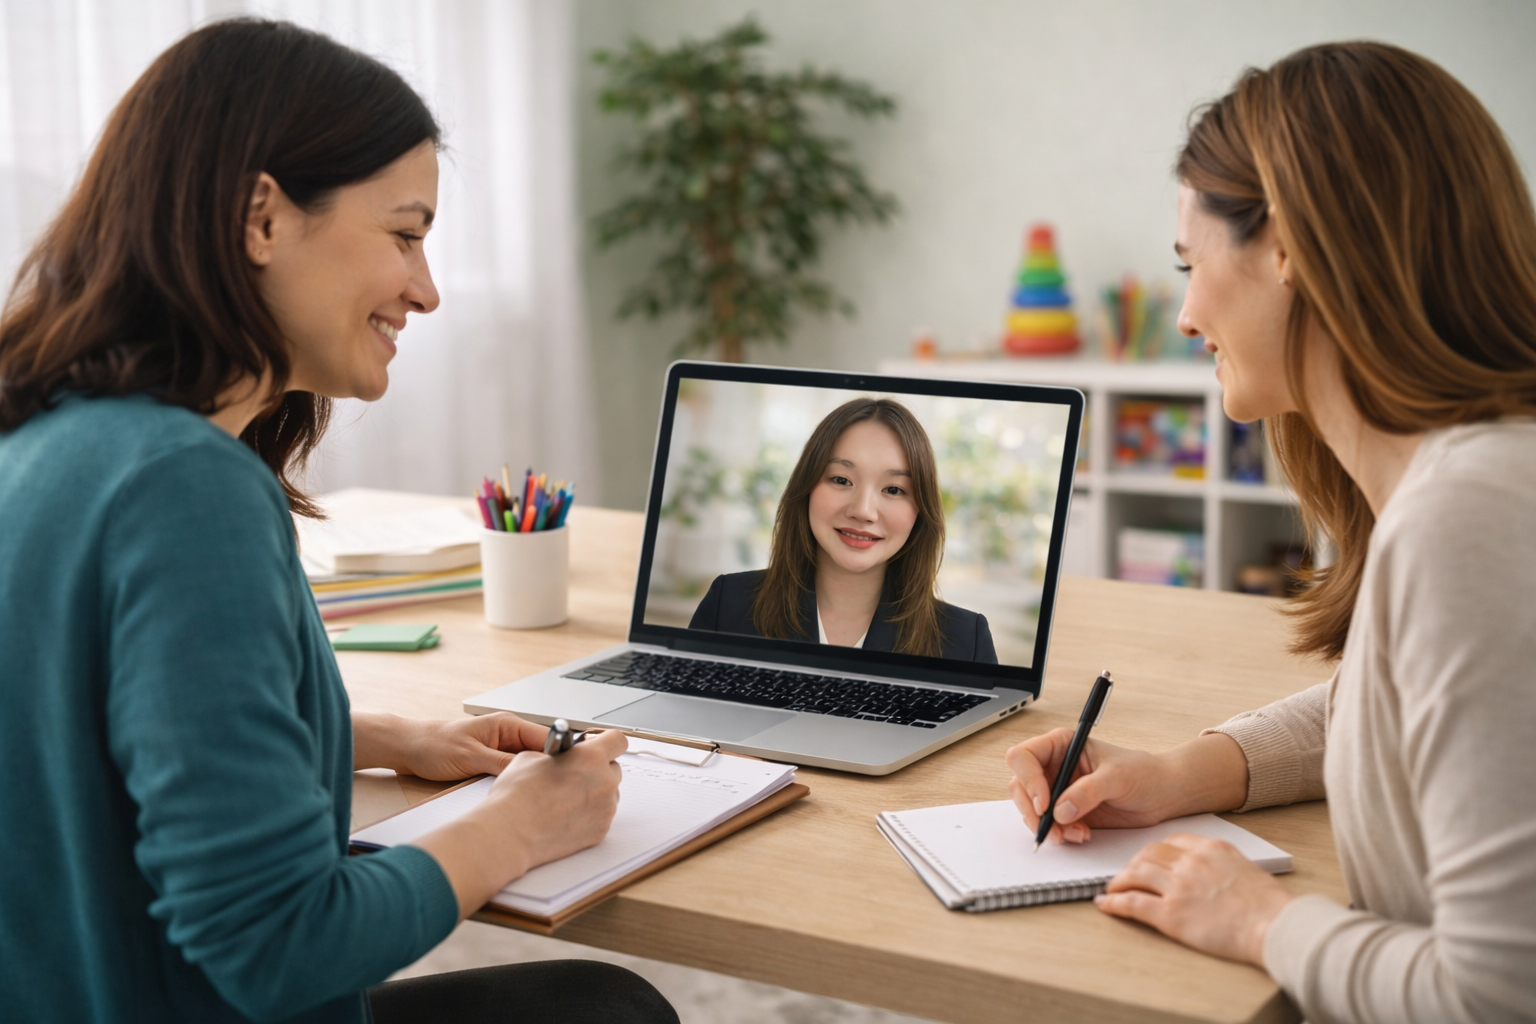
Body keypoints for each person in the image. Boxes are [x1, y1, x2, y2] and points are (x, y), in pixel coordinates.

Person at [0, 20, 677, 1024]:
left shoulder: (45, 440)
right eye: (405, 234)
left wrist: (369, 735)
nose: (428, 289)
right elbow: (278, 944)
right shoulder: (185, 488)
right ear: (259, 217)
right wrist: (518, 825)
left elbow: (88, 736)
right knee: (610, 1010)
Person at [1006, 42, 1536, 1023]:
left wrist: (1260, 920)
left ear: (1287, 245)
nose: (1187, 311)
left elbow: (1497, 994)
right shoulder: (1471, 477)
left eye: (1190, 264)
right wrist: (1176, 775)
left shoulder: (1470, 515)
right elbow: (1388, 709)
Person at [689, 397, 997, 662]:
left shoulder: (965, 641)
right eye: (841, 480)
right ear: (807, 487)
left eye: (893, 489)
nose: (863, 511)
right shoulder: (728, 606)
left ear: (921, 510)